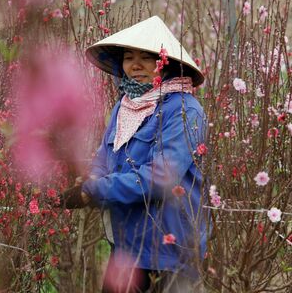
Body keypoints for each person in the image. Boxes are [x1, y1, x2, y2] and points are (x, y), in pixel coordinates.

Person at [62, 16, 208, 292]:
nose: (135, 65)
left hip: (169, 249)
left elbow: (161, 177)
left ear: (166, 64)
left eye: (147, 58)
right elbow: (105, 155)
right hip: (126, 245)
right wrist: (91, 179)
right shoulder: (125, 106)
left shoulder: (184, 109)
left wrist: (93, 190)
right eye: (129, 57)